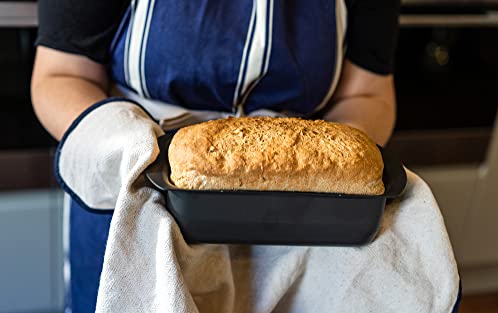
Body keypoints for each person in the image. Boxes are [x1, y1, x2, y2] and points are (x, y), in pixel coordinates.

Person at [31, 0, 400, 312]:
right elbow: (61, 75)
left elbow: (367, 94)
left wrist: (320, 160)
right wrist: (141, 153)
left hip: (302, 221)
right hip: (136, 194)